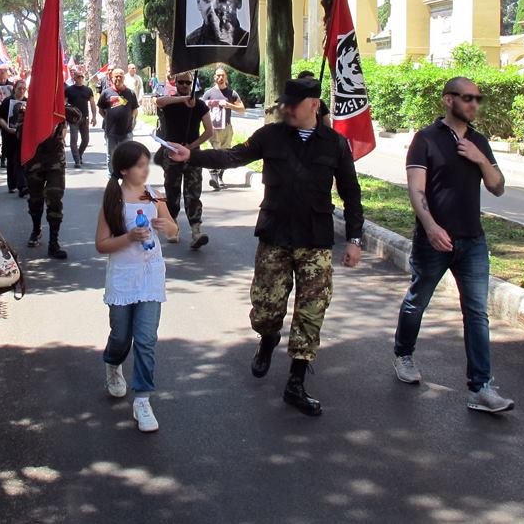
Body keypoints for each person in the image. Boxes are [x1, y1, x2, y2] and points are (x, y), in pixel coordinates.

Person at [167, 78, 364, 416]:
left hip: (314, 239)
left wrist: (356, 240)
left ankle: (296, 382)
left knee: (311, 311)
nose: (287, 108)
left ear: (314, 105)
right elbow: (233, 155)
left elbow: (351, 192)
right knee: (266, 309)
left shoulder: (335, 144)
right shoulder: (270, 135)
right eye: (285, 102)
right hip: (275, 234)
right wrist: (193, 156)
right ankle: (268, 339)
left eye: (294, 103)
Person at [393, 76, 514, 413]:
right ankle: (403, 353)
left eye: (478, 98)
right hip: (435, 239)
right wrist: (430, 226)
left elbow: (498, 187)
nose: (474, 104)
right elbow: (416, 191)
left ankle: (480, 388)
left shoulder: (479, 142)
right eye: (468, 98)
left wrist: (479, 158)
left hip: (472, 240)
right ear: (449, 100)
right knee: (418, 300)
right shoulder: (425, 139)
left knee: (476, 314)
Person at [95, 141, 178, 433]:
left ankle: (142, 399)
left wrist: (168, 229)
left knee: (145, 339)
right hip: (122, 277)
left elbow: (173, 230)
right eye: (140, 165)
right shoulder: (113, 199)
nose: (145, 170)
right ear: (124, 169)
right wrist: (129, 237)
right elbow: (101, 244)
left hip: (150, 276)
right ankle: (113, 363)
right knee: (121, 336)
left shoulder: (154, 196)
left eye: (146, 164)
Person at [156, 71, 213, 249]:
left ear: (192, 84)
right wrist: (183, 100)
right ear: (176, 83)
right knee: (172, 191)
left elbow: (209, 131)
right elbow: (159, 102)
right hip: (172, 153)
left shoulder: (200, 105)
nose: (184, 86)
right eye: (181, 82)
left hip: (192, 155)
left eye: (188, 83)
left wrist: (191, 147)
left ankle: (196, 230)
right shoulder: (171, 102)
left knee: (193, 192)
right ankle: (173, 227)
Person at [23, 117, 68, 258]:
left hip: (55, 163)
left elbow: (77, 116)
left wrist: (60, 110)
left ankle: (53, 242)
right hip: (34, 162)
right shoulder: (26, 111)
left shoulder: (59, 109)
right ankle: (36, 229)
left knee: (55, 199)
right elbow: (19, 134)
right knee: (35, 201)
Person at [203, 65, 245, 189]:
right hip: (213, 128)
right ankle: (214, 177)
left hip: (226, 127)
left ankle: (220, 176)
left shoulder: (232, 93)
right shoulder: (209, 93)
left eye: (222, 75)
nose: (220, 77)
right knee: (215, 151)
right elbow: (201, 108)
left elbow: (242, 109)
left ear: (226, 77)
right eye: (218, 75)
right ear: (214, 77)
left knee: (226, 152)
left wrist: (228, 105)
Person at [98, 68, 139, 177]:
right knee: (111, 155)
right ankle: (112, 176)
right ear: (111, 77)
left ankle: (126, 175)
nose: (118, 78)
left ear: (124, 77)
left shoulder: (130, 93)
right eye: (116, 76)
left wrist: (132, 121)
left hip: (126, 132)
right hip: (111, 132)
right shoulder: (106, 93)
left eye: (120, 75)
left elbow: (135, 110)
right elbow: (101, 110)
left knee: (127, 155)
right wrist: (108, 119)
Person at [0, 80, 28, 196]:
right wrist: (8, 129)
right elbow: (0, 119)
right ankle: (12, 184)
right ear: (14, 88)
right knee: (11, 160)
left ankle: (22, 185)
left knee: (21, 160)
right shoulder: (7, 101)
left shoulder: (27, 102)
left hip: (22, 136)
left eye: (24, 89)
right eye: (19, 88)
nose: (21, 91)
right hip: (9, 135)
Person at [65, 70, 97, 168]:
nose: (80, 78)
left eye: (82, 76)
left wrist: (94, 116)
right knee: (74, 140)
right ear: (74, 78)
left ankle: (79, 154)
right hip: (73, 118)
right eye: (78, 76)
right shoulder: (69, 90)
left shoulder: (88, 90)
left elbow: (92, 103)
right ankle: (77, 160)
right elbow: (64, 103)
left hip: (85, 118)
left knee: (86, 140)